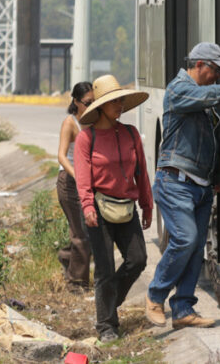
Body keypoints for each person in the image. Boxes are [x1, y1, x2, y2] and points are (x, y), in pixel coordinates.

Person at [146, 42, 220, 330]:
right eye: (215, 71)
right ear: (201, 64)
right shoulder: (180, 88)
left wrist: (217, 177)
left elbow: (210, 141)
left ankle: (182, 310)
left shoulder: (200, 97)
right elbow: (208, 95)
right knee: (185, 239)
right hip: (175, 180)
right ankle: (155, 296)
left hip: (201, 185)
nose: (217, 77)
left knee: (195, 250)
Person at [75, 75, 154, 343]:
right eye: (114, 102)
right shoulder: (87, 138)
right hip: (98, 210)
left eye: (121, 101)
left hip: (127, 208)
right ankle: (106, 326)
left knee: (138, 259)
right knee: (105, 270)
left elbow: (141, 172)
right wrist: (87, 205)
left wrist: (147, 204)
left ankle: (108, 300)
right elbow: (83, 177)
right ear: (101, 106)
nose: (119, 105)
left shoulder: (131, 133)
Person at [56, 81, 94, 290]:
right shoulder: (70, 123)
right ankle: (76, 282)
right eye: (87, 103)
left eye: (94, 102)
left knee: (89, 230)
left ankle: (66, 257)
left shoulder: (95, 120)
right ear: (76, 102)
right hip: (70, 183)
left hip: (88, 182)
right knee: (81, 233)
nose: (91, 107)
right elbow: (62, 156)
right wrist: (78, 176)